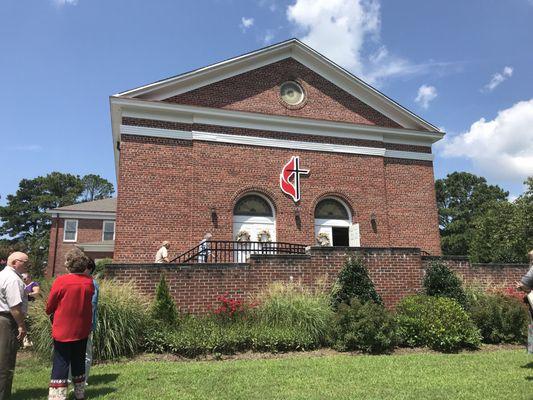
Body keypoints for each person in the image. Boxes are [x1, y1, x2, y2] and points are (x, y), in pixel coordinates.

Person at [46, 249, 95, 400]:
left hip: (63, 329)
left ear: (68, 264)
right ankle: (79, 393)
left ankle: (58, 396)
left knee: (61, 361)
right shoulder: (89, 282)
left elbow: (50, 307)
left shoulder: (61, 281)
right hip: (82, 328)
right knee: (79, 360)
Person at [0, 252, 28, 400]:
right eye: (25, 262)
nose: (27, 264)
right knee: (6, 360)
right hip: (7, 320)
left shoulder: (2, 275)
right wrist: (21, 325)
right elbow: (15, 307)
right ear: (14, 262)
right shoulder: (13, 279)